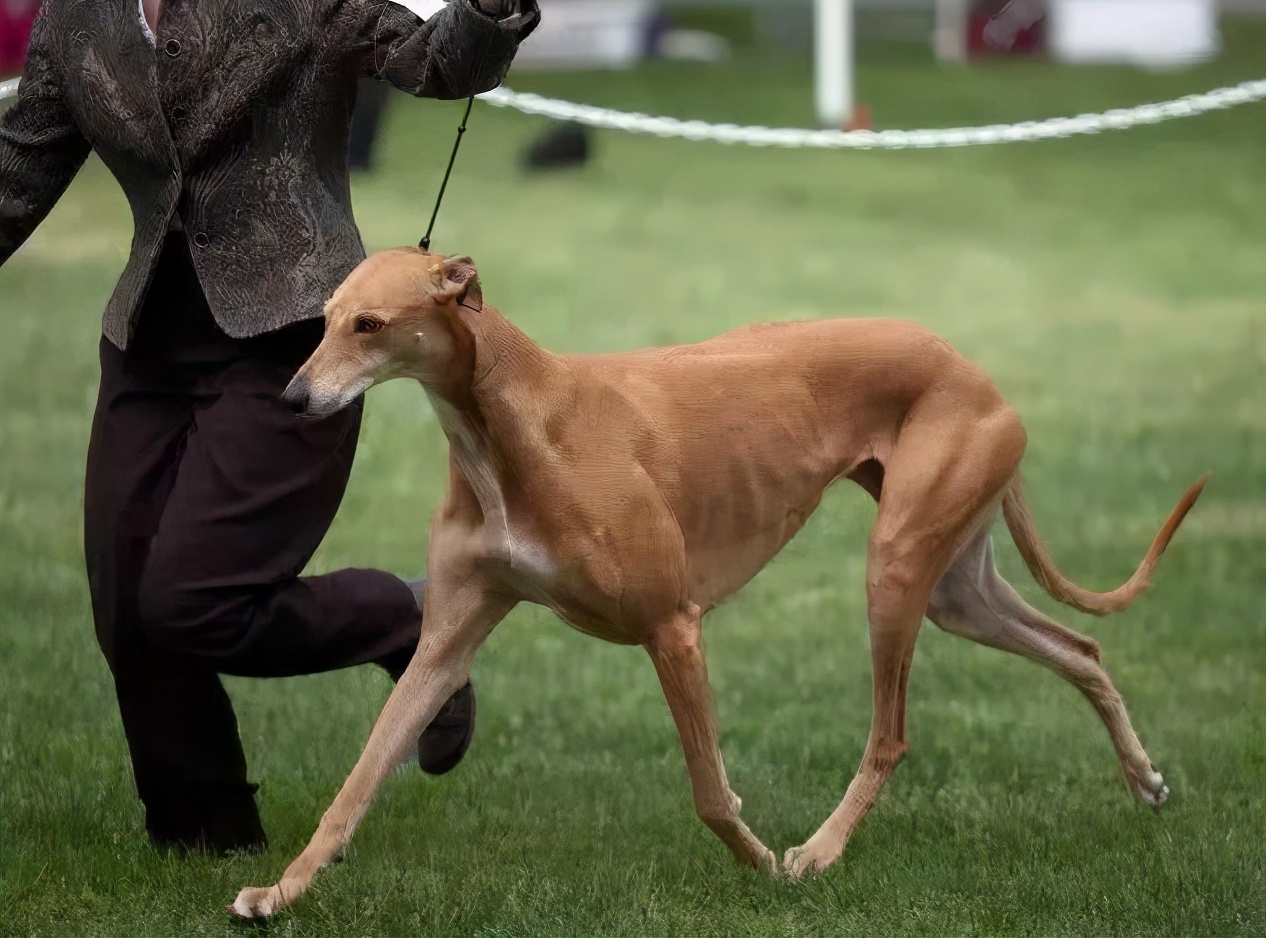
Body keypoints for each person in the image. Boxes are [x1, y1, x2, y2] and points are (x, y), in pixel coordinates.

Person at [0, 0, 538, 855]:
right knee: (126, 609)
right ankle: (205, 830)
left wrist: (491, 13)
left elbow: (437, 64)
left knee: (192, 599)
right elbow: (17, 170)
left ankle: (403, 619)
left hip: (293, 341)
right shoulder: (78, 20)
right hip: (146, 343)